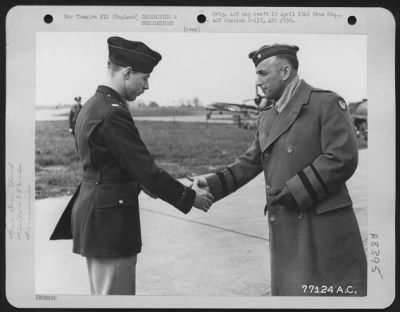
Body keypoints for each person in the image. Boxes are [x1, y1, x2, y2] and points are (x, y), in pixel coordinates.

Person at [195, 44, 367, 296]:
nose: (258, 81)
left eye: (263, 73)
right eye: (257, 74)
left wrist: (295, 190)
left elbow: (342, 157)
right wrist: (211, 183)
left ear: (285, 71)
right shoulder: (268, 115)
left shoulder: (326, 102)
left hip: (321, 224)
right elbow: (251, 161)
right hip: (286, 224)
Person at [50, 36, 213, 295]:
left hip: (99, 218)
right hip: (110, 225)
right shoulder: (113, 112)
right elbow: (146, 170)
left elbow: (114, 164)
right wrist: (190, 197)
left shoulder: (93, 105)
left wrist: (152, 186)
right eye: (145, 78)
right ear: (127, 72)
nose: (146, 86)